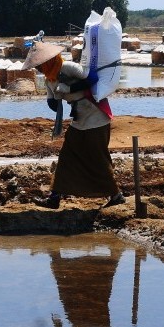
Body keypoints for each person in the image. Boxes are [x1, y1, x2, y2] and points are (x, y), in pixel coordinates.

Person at [23, 42, 125, 209]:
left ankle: (116, 195)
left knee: (98, 157)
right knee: (66, 157)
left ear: (47, 61)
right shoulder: (49, 80)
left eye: (39, 66)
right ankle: (54, 197)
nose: (38, 70)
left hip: (96, 116)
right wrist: (55, 98)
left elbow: (92, 78)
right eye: (37, 67)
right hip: (79, 120)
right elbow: (53, 105)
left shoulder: (68, 67)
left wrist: (69, 88)